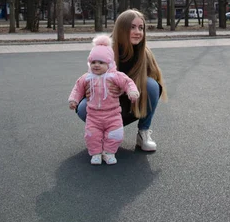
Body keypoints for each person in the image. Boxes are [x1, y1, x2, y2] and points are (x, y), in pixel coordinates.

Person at [77, 9, 167, 152]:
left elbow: (155, 89)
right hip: (107, 103)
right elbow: (90, 79)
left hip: (131, 102)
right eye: (132, 27)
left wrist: (128, 89)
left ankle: (143, 132)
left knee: (152, 86)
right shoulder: (105, 51)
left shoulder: (144, 54)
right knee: (83, 108)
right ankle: (102, 132)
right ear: (121, 28)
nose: (138, 32)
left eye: (141, 28)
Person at [69, 35, 140, 165]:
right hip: (93, 115)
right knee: (92, 135)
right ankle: (95, 153)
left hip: (113, 114)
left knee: (116, 134)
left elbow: (127, 82)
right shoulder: (87, 77)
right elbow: (77, 89)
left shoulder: (115, 76)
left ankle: (109, 152)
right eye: (93, 62)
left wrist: (132, 91)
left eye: (101, 62)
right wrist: (73, 100)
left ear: (109, 64)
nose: (96, 65)